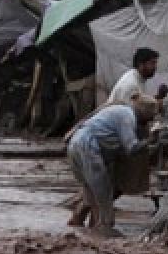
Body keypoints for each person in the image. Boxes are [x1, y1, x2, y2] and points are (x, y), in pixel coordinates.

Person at [66, 95, 159, 237]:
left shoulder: (122, 111)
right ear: (143, 113)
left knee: (91, 193)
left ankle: (85, 230)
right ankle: (104, 229)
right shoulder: (128, 117)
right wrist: (151, 141)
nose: (150, 121)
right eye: (150, 117)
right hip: (87, 146)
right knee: (103, 194)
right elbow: (131, 147)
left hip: (77, 143)